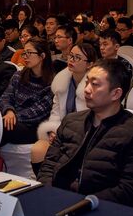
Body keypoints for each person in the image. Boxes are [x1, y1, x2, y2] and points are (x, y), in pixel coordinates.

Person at [38, 59, 133, 208]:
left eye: (95, 84)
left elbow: (131, 189)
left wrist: (83, 204)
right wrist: (48, 193)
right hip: (57, 200)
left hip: (99, 209)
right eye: (86, 82)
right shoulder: (71, 121)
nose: (86, 89)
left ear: (116, 93)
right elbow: (49, 164)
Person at [32, 42, 98, 172]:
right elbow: (55, 112)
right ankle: (44, 182)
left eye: (77, 58)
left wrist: (65, 135)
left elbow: (93, 120)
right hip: (62, 132)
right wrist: (53, 131)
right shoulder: (61, 82)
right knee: (38, 149)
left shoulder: (95, 87)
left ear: (90, 64)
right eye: (71, 56)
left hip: (84, 137)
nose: (71, 60)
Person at [0, 37, 54, 146]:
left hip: (32, 127)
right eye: (24, 53)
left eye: (29, 53)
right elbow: (6, 96)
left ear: (42, 56)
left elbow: (37, 112)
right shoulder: (19, 75)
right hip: (11, 117)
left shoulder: (52, 83)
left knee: (0, 126)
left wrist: (13, 116)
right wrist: (9, 111)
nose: (25, 56)